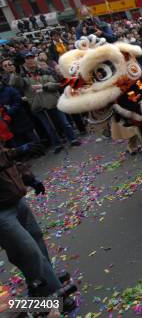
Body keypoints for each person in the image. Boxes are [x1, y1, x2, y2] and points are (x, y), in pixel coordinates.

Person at [0, 119, 76, 312]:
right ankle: (53, 297)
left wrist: (30, 179)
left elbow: (11, 162)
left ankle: (44, 282)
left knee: (36, 242)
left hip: (15, 199)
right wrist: (19, 150)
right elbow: (5, 156)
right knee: (27, 250)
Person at [8, 52, 81, 153]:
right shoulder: (22, 76)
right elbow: (13, 85)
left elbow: (57, 85)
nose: (30, 61)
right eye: (27, 59)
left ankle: (73, 139)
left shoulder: (45, 71)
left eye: (32, 58)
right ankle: (57, 144)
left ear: (35, 59)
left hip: (53, 101)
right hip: (38, 105)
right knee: (49, 128)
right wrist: (15, 71)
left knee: (64, 123)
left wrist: (44, 87)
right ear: (24, 63)